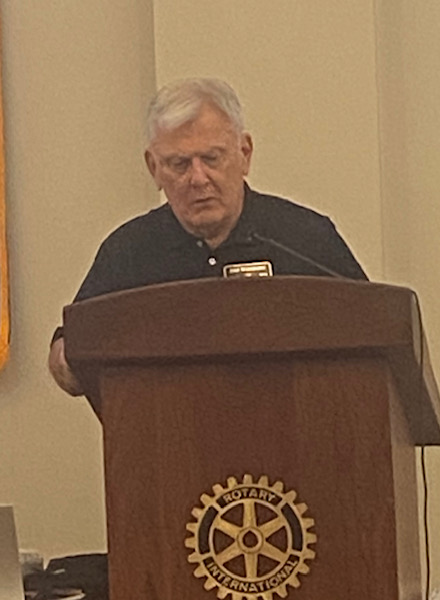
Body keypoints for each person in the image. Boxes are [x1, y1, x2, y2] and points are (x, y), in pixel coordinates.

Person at [48, 77, 367, 396]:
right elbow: (69, 352)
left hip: (303, 434)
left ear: (244, 153)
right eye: (179, 164)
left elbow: (372, 328)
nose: (198, 179)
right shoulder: (129, 252)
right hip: (163, 437)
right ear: (153, 168)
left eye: (212, 159)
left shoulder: (303, 238)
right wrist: (68, 360)